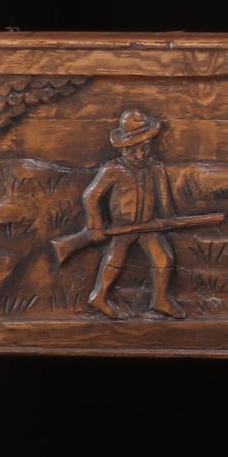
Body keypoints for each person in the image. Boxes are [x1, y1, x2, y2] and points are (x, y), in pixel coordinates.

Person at [79, 109, 183, 317]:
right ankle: (99, 296)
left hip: (148, 226)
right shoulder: (113, 170)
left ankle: (160, 300)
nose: (139, 155)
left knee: (164, 259)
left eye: (144, 148)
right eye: (131, 150)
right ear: (121, 149)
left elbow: (164, 202)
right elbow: (90, 197)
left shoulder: (156, 169)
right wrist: (95, 224)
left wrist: (169, 220)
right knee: (115, 259)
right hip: (121, 227)